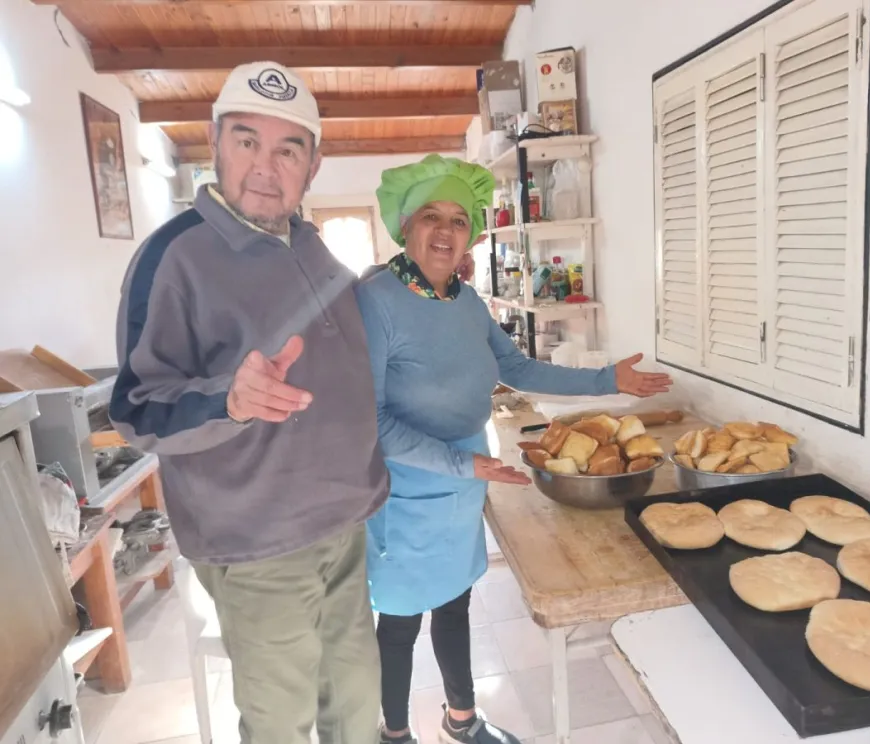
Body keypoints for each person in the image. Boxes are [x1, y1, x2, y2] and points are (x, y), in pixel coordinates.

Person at [109, 61, 388, 744]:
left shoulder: (311, 244)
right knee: (281, 726)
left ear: (313, 165)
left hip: (345, 525)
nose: (267, 166)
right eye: (246, 141)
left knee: (355, 709)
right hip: (259, 544)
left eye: (288, 147)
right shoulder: (175, 257)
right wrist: (228, 402)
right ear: (214, 142)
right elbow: (137, 409)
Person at [355, 155, 673, 744]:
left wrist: (608, 380)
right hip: (406, 489)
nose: (446, 231)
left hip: (465, 481)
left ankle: (462, 719)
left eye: (459, 218)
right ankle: (394, 734)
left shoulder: (465, 301)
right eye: (432, 216)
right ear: (406, 227)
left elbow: (519, 368)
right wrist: (461, 463)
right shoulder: (374, 300)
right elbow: (368, 422)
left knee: (454, 605)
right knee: (400, 622)